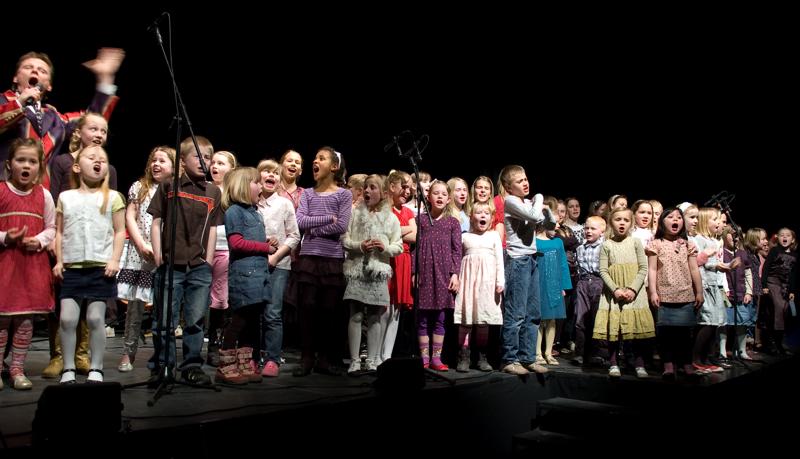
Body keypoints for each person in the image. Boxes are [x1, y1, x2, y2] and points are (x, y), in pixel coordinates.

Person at [147, 136, 222, 386]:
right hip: (171, 265)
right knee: (164, 321)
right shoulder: (169, 186)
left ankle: (191, 366)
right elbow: (157, 220)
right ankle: (164, 366)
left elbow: (211, 228)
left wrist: (208, 260)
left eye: (208, 157)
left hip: (199, 266)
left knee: (195, 321)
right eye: (197, 156)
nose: (204, 162)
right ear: (183, 160)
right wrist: (158, 254)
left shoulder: (213, 191)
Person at [0, 48, 124, 188]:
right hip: (4, 189)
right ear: (15, 77)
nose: (35, 71)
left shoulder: (55, 119)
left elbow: (92, 121)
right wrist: (19, 103)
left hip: (41, 196)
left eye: (42, 70)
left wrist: (105, 79)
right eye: (28, 67)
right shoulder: (3, 102)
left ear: (49, 86)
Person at [52, 145, 125, 383]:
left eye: (102, 160)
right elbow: (60, 232)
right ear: (76, 166)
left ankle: (96, 367)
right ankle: (69, 368)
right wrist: (59, 260)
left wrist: (114, 259)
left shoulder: (113, 197)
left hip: (100, 266)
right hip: (72, 267)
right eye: (92, 158)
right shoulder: (66, 197)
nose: (98, 162)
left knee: (95, 319)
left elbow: (119, 231)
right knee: (67, 319)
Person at [286, 147, 351, 376]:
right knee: (307, 308)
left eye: (321, 158)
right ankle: (306, 357)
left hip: (332, 259)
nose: (315, 161)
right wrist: (326, 219)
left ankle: (324, 358)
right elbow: (300, 221)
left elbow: (341, 226)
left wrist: (315, 228)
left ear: (334, 167)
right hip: (309, 259)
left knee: (328, 310)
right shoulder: (308, 194)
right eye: (314, 158)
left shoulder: (344, 195)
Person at [0, 139, 55, 390]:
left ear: (39, 166)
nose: (26, 165)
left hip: (31, 265)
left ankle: (17, 369)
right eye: (20, 160)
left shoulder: (43, 194)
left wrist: (40, 241)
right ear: (9, 164)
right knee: (2, 320)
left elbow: (52, 228)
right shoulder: (1, 190)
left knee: (24, 321)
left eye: (32, 161)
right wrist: (5, 238)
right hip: (5, 264)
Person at [116, 146, 175, 372]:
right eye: (154, 160)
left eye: (162, 160)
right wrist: (140, 243)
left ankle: (161, 356)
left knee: (163, 309)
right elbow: (130, 215)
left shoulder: (173, 190)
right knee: (135, 307)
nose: (156, 164)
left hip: (163, 254)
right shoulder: (140, 187)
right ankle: (128, 353)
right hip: (139, 253)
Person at [214, 168, 274, 385]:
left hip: (259, 275)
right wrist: (265, 247)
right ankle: (225, 366)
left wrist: (267, 241)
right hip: (245, 276)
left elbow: (250, 239)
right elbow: (236, 243)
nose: (260, 186)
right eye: (256, 183)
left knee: (252, 321)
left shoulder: (255, 212)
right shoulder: (234, 212)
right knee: (239, 320)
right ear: (243, 186)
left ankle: (245, 362)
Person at [343, 174, 402, 373]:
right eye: (366, 187)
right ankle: (354, 360)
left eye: (372, 187)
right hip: (358, 271)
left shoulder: (391, 218)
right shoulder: (355, 214)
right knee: (356, 315)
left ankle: (373, 359)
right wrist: (359, 246)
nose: (367, 191)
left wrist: (384, 247)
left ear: (384, 193)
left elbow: (398, 246)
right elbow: (345, 240)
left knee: (376, 317)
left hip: (377, 272)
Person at [592, 207, 655, 378]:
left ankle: (639, 363)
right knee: (615, 329)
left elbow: (643, 268)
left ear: (631, 223)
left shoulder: (635, 243)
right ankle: (614, 363)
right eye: (618, 219)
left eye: (626, 220)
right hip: (614, 293)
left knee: (636, 330)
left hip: (635, 293)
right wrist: (616, 289)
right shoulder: (607, 245)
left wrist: (633, 289)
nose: (622, 223)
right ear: (611, 222)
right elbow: (603, 271)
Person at [498, 165, 548, 375]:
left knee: (533, 312)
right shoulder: (510, 201)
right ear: (509, 187)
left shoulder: (528, 203)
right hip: (517, 260)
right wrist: (539, 197)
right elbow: (535, 217)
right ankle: (509, 358)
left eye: (526, 179)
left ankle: (527, 357)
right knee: (516, 312)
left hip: (531, 259)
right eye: (519, 181)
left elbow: (548, 224)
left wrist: (547, 212)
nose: (525, 183)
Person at [646, 207, 703, 379]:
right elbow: (652, 269)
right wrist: (653, 291)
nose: (675, 219)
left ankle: (686, 364)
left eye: (678, 217)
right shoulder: (656, 244)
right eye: (670, 217)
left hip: (685, 295)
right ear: (662, 222)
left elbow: (694, 269)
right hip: (664, 296)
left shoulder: (688, 245)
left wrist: (699, 291)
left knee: (685, 334)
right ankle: (668, 365)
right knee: (666, 334)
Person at [255, 159, 299, 377]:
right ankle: (253, 356)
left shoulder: (284, 204)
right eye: (266, 171)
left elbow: (294, 236)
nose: (271, 175)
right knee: (254, 312)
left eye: (275, 173)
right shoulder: (250, 202)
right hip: (253, 264)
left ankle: (272, 358)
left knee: (272, 313)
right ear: (258, 176)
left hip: (278, 265)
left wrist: (275, 257)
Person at [412, 180, 461, 371]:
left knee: (440, 317)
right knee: (423, 318)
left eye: (443, 194)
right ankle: (424, 358)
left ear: (449, 199)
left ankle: (436, 358)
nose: (439, 197)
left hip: (443, 275)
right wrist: (414, 272)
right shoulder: (420, 221)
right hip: (424, 273)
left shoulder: (453, 223)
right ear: (428, 197)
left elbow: (457, 251)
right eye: (436, 193)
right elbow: (414, 249)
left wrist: (455, 274)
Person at [453, 202, 504, 372]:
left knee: (483, 319)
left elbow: (499, 261)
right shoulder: (465, 236)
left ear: (491, 218)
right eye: (479, 213)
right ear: (471, 217)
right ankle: (464, 356)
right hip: (468, 282)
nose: (482, 216)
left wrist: (500, 281)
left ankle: (482, 357)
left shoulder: (494, 236)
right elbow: (457, 260)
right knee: (466, 318)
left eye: (486, 213)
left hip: (487, 284)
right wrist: (457, 279)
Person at [205, 150, 237, 366]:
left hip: (224, 250)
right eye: (213, 162)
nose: (214, 166)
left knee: (220, 299)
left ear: (231, 170)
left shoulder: (234, 194)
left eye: (221, 163)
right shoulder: (205, 189)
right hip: (200, 250)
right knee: (202, 299)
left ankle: (215, 346)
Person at [571, 216, 606, 366]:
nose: (588, 231)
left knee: (597, 319)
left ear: (602, 231)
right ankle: (580, 353)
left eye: (593, 228)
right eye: (586, 228)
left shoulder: (605, 247)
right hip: (583, 283)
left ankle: (597, 353)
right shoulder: (580, 247)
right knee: (580, 319)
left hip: (599, 283)